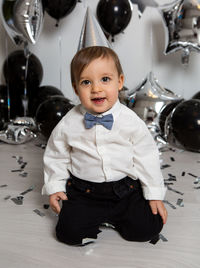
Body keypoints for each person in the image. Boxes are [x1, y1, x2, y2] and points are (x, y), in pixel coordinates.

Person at [42, 46, 167, 246]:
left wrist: (154, 195)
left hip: (125, 190)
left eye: (105, 79)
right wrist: (55, 187)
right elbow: (56, 156)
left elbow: (146, 156)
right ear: (75, 89)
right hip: (84, 193)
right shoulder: (68, 123)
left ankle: (119, 217)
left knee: (148, 227)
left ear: (120, 82)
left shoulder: (130, 120)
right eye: (86, 82)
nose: (96, 89)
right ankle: (92, 218)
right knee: (68, 233)